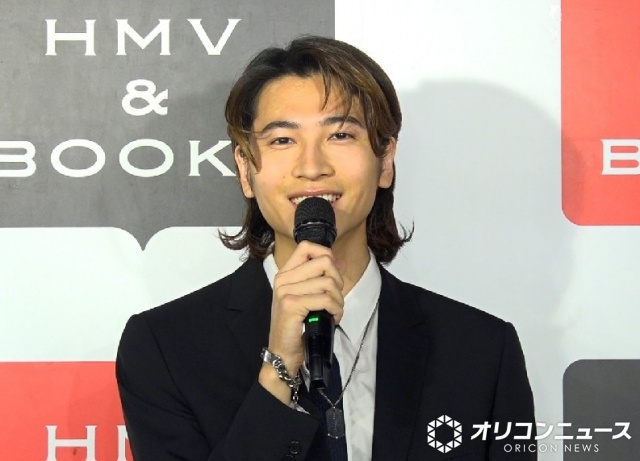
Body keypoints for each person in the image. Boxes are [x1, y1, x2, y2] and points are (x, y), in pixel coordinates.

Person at [116, 35, 536, 460]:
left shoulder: (481, 350)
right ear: (245, 169)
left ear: (385, 160)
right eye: (283, 140)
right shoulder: (165, 348)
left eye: (340, 135)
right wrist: (279, 368)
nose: (312, 166)